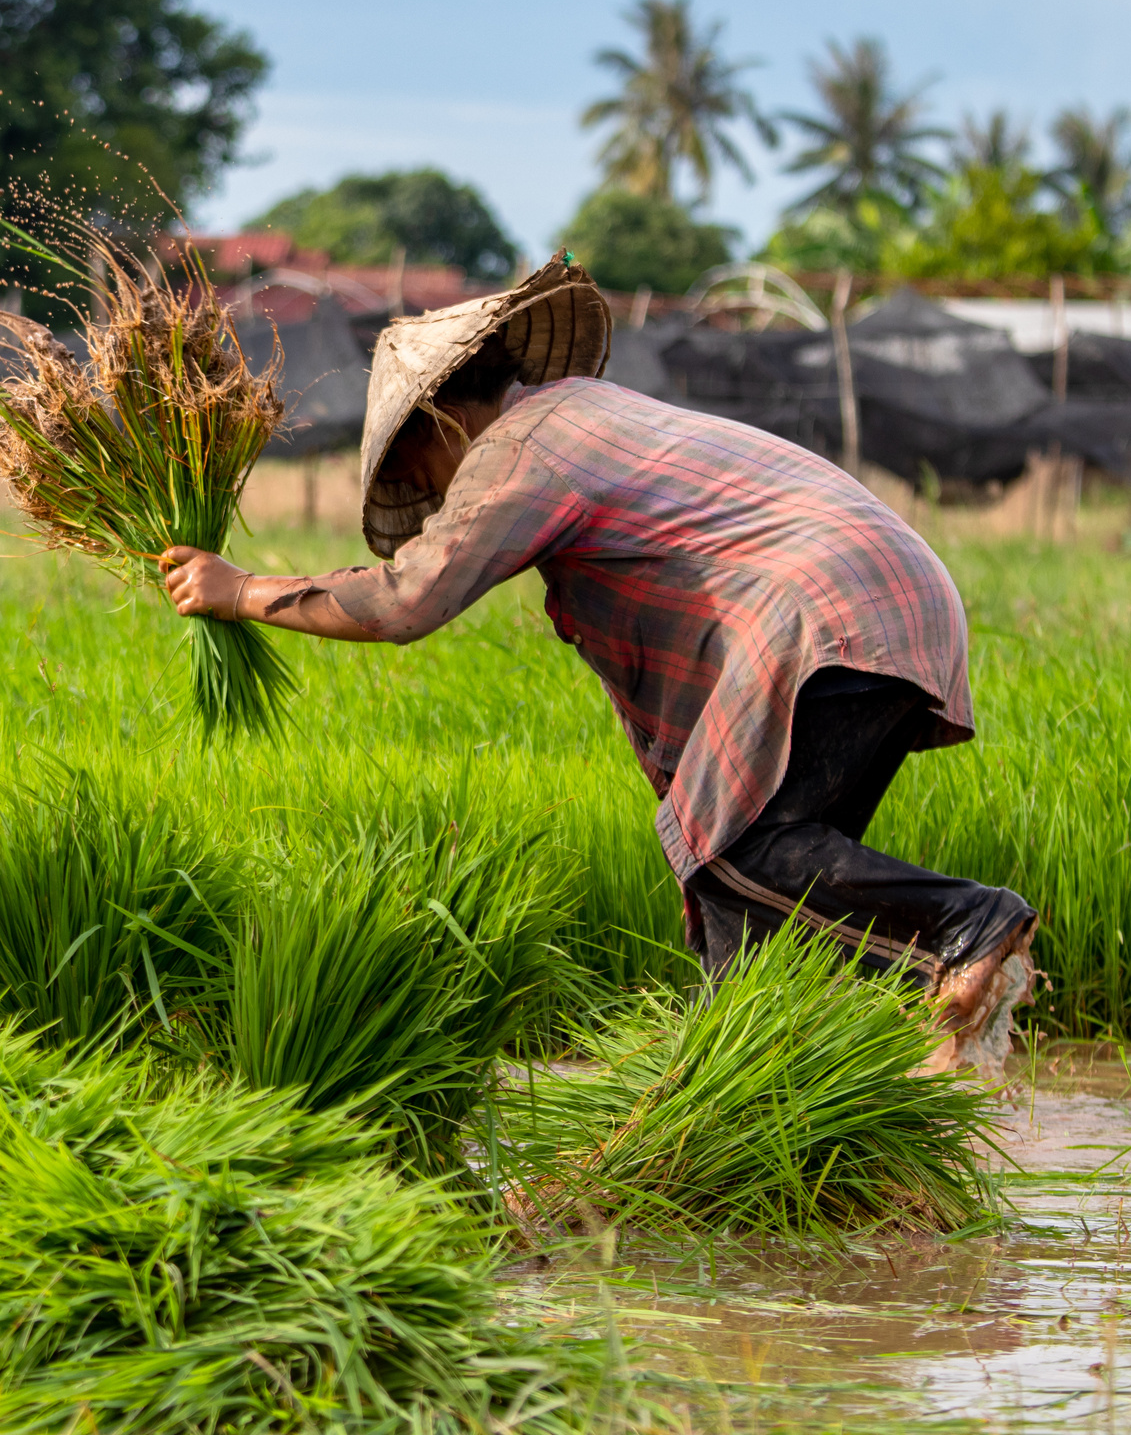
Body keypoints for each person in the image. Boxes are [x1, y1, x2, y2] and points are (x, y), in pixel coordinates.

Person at [163, 258, 1037, 1079]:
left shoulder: (525, 449)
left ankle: (966, 925)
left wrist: (240, 591)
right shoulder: (588, 419)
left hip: (828, 609)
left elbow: (403, 601)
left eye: (418, 473)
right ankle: (762, 1106)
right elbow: (675, 689)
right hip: (883, 597)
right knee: (751, 917)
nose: (435, 499)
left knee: (743, 852)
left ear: (437, 422)